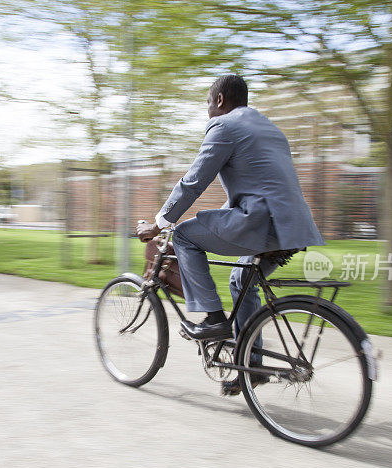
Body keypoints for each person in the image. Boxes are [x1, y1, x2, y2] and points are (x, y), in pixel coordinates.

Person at [136, 74, 325, 373]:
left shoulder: (224, 125)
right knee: (241, 281)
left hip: (262, 223)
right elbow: (257, 189)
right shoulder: (270, 130)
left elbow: (194, 183)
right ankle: (251, 368)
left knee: (185, 235)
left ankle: (213, 320)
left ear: (220, 100)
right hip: (293, 227)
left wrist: (158, 225)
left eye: (208, 103)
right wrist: (216, 221)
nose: (208, 110)